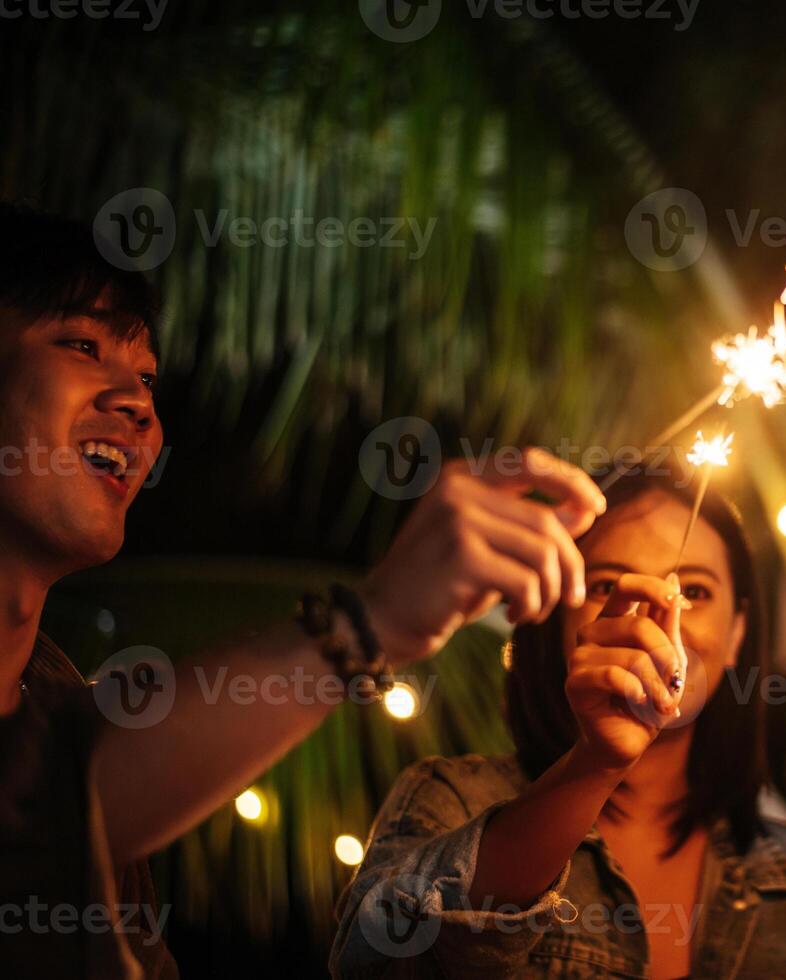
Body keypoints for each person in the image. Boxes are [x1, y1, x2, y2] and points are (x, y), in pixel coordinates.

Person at [0, 204, 605, 976]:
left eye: (147, 376)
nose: (139, 404)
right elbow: (38, 808)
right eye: (81, 345)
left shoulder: (54, 689)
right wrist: (371, 621)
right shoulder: (75, 755)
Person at [332, 468, 786, 979]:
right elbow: (378, 960)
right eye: (608, 586)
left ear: (737, 632)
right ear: (557, 614)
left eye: (693, 592)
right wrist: (595, 761)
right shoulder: (450, 800)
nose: (655, 617)